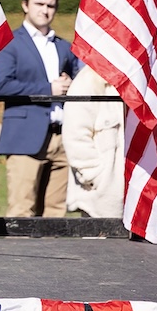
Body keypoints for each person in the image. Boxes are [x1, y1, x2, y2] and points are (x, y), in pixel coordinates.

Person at [0, 0, 82, 217]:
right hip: (25, 138)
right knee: (22, 213)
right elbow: (2, 85)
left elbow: (79, 83)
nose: (45, 10)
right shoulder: (8, 43)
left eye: (50, 5)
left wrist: (72, 86)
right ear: (25, 5)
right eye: (39, 3)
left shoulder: (64, 47)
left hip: (62, 139)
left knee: (55, 215)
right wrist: (47, 89)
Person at [62, 65, 125, 218]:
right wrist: (97, 177)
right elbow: (75, 137)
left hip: (140, 201)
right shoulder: (87, 81)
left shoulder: (141, 79)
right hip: (100, 201)